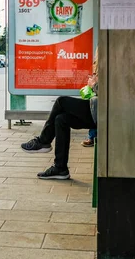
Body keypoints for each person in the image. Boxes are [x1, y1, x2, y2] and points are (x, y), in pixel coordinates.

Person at [21, 50, 98, 180]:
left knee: (61, 101)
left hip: (102, 111)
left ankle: (43, 141)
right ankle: (60, 168)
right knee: (61, 119)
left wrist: (94, 84)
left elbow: (110, 89)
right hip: (96, 109)